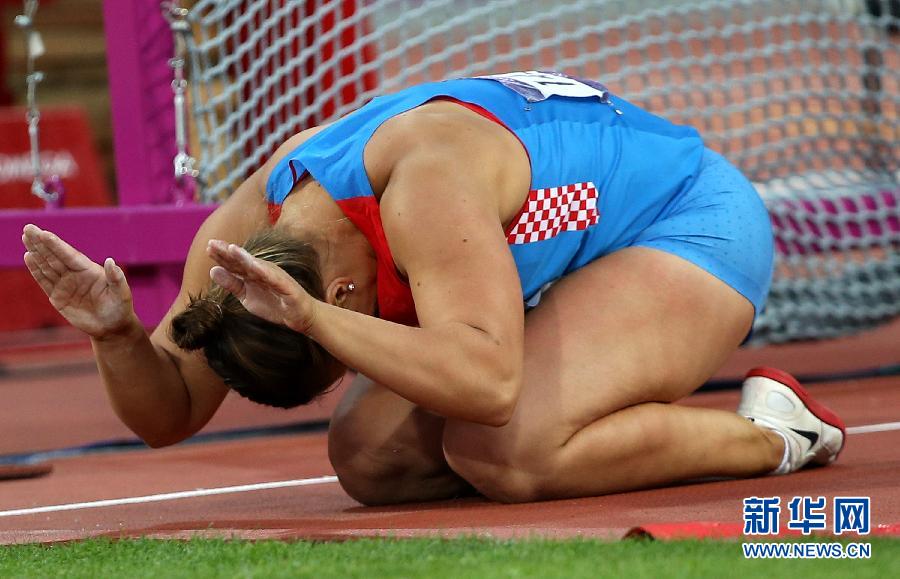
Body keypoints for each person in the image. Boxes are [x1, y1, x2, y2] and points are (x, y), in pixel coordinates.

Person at [22, 71, 845, 505]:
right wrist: (118, 335)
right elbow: (168, 414)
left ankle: (777, 434)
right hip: (569, 258)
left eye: (332, 343)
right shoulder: (248, 232)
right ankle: (584, 429)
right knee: (369, 459)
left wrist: (311, 321)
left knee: (504, 447)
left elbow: (487, 384)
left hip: (689, 219)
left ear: (339, 296)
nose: (345, 357)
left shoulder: (423, 186)